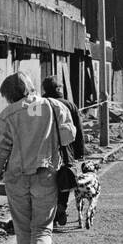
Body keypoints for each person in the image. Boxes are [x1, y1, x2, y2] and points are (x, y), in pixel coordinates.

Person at [0, 72, 76, 244]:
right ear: (30, 86)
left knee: (22, 229)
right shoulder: (53, 106)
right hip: (45, 173)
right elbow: (69, 137)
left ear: (8, 95)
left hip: (16, 177)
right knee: (43, 228)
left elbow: (3, 151)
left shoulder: (6, 115)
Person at [41, 76, 86, 228]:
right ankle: (61, 207)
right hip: (66, 150)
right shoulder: (70, 105)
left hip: (44, 149)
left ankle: (50, 211)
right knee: (65, 178)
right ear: (59, 89)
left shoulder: (38, 104)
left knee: (47, 180)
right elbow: (78, 130)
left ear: (45, 89)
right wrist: (80, 151)